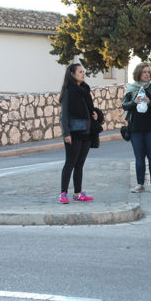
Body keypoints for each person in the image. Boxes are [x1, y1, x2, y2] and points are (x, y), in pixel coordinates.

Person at [122, 62, 151, 193]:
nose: (147, 74)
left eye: (148, 72)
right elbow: (125, 106)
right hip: (136, 127)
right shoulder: (131, 89)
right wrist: (133, 102)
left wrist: (149, 101)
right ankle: (140, 184)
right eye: (144, 72)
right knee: (139, 157)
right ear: (138, 74)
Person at [58, 63, 98, 204]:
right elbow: (64, 115)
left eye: (83, 71)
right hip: (73, 133)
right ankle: (63, 193)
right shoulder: (69, 91)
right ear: (72, 74)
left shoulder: (85, 90)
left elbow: (89, 109)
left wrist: (95, 115)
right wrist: (66, 133)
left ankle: (77, 193)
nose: (83, 74)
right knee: (70, 163)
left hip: (86, 132)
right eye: (80, 72)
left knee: (80, 164)